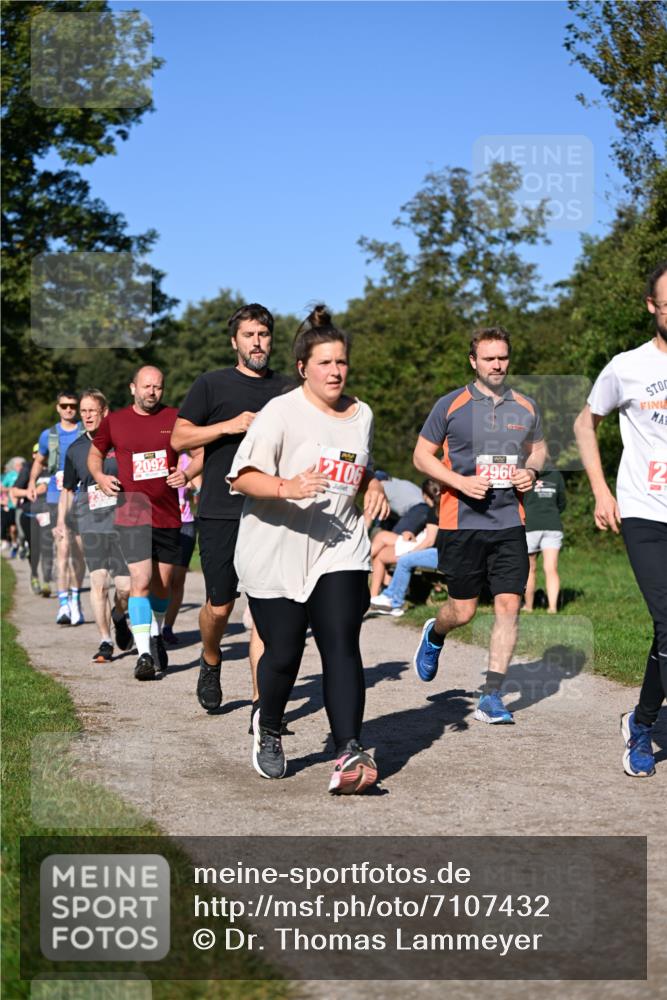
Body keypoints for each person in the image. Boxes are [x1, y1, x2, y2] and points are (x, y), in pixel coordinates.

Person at [228, 304, 388, 793]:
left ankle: (349, 749)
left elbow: (357, 463)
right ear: (303, 368)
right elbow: (242, 476)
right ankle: (269, 725)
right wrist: (287, 487)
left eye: (341, 362)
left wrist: (372, 483)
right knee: (284, 651)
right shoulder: (281, 412)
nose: (335, 371)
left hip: (338, 546)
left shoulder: (362, 415)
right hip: (276, 547)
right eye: (325, 363)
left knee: (341, 641)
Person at [412, 326, 546, 724]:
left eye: (502, 357)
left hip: (509, 521)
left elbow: (538, 449)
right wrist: (458, 482)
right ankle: (435, 633)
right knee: (463, 611)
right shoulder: (450, 405)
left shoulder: (526, 406)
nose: (497, 365)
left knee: (509, 605)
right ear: (474, 361)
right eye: (489, 358)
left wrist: (531, 472)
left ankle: (492, 695)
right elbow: (421, 456)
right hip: (461, 522)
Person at [171, 303, 292, 720]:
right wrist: (228, 425)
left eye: (264, 334)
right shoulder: (211, 384)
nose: (257, 343)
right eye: (249, 335)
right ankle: (210, 656)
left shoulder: (289, 389)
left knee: (263, 610)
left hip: (271, 510)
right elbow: (179, 439)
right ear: (234, 342)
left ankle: (262, 709)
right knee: (220, 607)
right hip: (221, 510)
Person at [574, 261, 667, 778]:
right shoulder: (627, 366)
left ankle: (641, 722)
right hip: (645, 511)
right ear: (652, 306)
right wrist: (600, 490)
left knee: (666, 629)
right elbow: (584, 423)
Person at [88, 366, 187, 681]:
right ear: (133, 388)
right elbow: (95, 454)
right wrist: (100, 476)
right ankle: (144, 654)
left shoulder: (176, 418)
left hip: (168, 514)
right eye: (146, 386)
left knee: (162, 587)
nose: (152, 392)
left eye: (157, 387)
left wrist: (188, 473)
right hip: (132, 512)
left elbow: (199, 452)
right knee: (140, 582)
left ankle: (155, 634)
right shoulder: (115, 421)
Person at [57, 390, 133, 663]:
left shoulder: (121, 441)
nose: (87, 416)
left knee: (125, 587)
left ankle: (118, 615)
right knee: (99, 582)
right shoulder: (76, 449)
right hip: (91, 523)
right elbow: (68, 490)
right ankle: (105, 641)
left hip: (123, 522)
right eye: (84, 411)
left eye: (92, 411)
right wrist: (61, 522)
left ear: (105, 412)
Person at [27, 391, 86, 624]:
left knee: (79, 553)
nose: (69, 409)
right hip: (55, 496)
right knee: (62, 549)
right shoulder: (48, 435)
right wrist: (31, 482)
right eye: (64, 405)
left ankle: (75, 599)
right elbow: (39, 461)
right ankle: (63, 604)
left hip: (81, 497)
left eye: (73, 405)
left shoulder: (86, 431)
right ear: (57, 407)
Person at [370, 490, 441, 617]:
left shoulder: (434, 511)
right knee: (381, 551)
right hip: (422, 545)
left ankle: (393, 602)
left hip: (428, 550)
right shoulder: (437, 510)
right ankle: (381, 597)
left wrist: (411, 552)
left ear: (426, 495)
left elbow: (430, 541)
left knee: (384, 539)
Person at [162, 451, 202, 646]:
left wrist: (192, 487)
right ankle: (154, 624)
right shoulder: (159, 458)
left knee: (177, 580)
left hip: (185, 524)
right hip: (162, 524)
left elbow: (199, 494)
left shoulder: (190, 461)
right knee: (161, 579)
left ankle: (167, 627)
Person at [522, 468, 567, 614]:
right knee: (551, 568)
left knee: (530, 568)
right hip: (552, 524)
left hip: (530, 524)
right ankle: (552, 608)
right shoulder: (556, 474)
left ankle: (528, 606)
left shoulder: (524, 473)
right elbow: (562, 502)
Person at [11, 444, 53, 595]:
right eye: (38, 452)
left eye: (45, 452)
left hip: (49, 515)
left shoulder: (53, 468)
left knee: (48, 548)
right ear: (34, 455)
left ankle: (46, 581)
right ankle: (34, 575)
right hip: (30, 515)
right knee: (35, 549)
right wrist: (32, 491)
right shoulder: (28, 469)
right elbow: (14, 491)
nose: (42, 455)